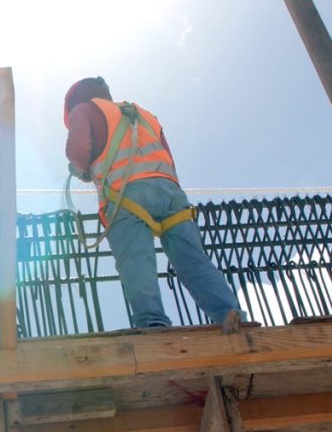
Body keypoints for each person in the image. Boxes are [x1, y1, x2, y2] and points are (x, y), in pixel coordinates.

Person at [64, 76, 242, 330]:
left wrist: (82, 170)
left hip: (126, 195)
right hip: (171, 193)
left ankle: (153, 324)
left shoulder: (83, 109)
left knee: (136, 262)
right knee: (193, 261)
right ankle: (229, 314)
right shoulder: (143, 114)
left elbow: (77, 152)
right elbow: (167, 155)